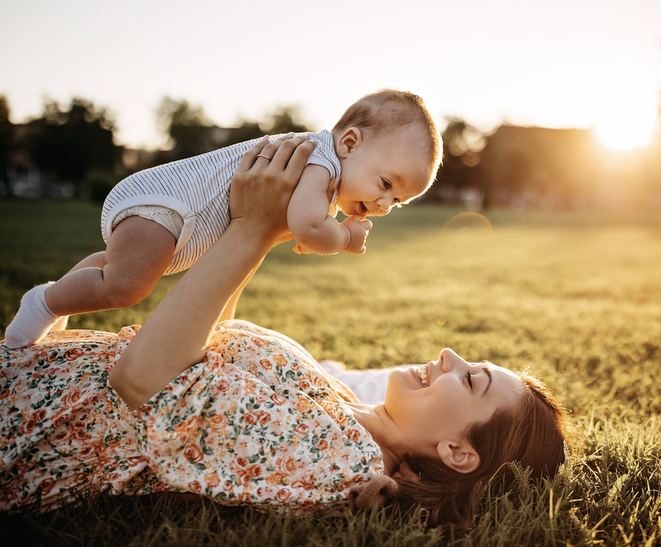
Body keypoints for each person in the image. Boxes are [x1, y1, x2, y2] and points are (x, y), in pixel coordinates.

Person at [0, 136, 571, 528]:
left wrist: (252, 229)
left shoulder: (338, 463)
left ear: (456, 453)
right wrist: (259, 230)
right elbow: (209, 351)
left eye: (471, 381)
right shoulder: (346, 412)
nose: (448, 354)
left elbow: (143, 381)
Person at [4, 90, 443, 349]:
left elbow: (299, 229)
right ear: (349, 142)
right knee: (127, 285)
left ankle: (62, 297)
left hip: (169, 215)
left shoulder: (322, 173)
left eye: (398, 201)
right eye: (386, 183)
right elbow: (309, 228)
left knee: (115, 267)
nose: (385, 204)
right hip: (169, 205)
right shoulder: (319, 161)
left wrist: (324, 229)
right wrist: (344, 236)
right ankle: (44, 301)